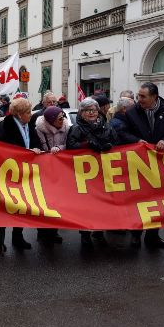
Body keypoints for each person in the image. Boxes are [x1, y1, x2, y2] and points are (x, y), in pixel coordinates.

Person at [119, 82, 164, 249]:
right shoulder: (132, 112)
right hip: (138, 164)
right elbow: (122, 132)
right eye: (138, 95)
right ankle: (136, 235)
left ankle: (153, 236)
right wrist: (136, 141)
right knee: (138, 200)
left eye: (143, 96)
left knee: (157, 201)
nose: (139, 99)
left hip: (160, 163)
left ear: (154, 97)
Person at [0, 97, 42, 252]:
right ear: (19, 114)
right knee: (3, 207)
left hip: (24, 173)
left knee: (21, 206)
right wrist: (22, 152)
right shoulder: (4, 126)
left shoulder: (29, 125)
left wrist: (36, 149)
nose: (31, 114)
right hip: (6, 173)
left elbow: (35, 142)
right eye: (28, 112)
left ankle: (18, 237)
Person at [66, 98, 118, 249]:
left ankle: (99, 231)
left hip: (104, 173)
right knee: (86, 205)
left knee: (102, 204)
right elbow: (71, 146)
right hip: (85, 174)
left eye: (94, 110)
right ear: (81, 113)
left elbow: (116, 141)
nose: (91, 113)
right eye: (88, 110)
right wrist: (87, 145)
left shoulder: (106, 126)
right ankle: (85, 235)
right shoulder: (77, 128)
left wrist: (110, 146)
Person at [34, 106, 71, 246]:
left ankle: (54, 231)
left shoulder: (67, 127)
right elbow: (37, 145)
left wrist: (60, 148)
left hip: (60, 169)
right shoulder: (39, 128)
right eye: (59, 119)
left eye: (63, 117)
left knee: (57, 202)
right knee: (44, 202)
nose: (62, 120)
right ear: (51, 120)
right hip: (44, 170)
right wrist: (43, 151)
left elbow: (69, 144)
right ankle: (42, 231)